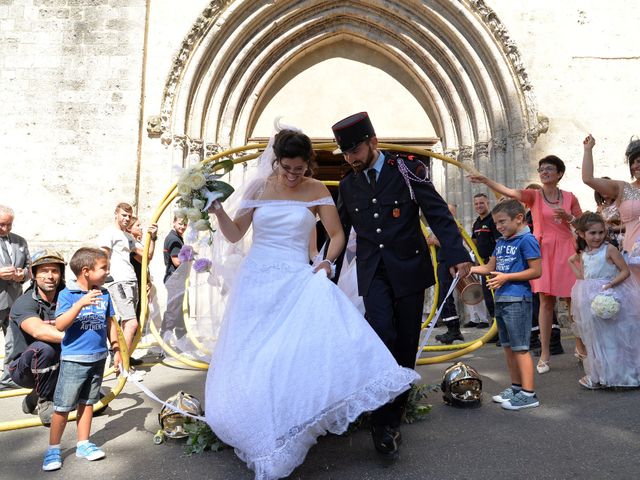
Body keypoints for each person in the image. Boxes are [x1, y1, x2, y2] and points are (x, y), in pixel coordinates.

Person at [204, 126, 417, 480]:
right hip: (257, 280)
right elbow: (235, 234)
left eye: (299, 169)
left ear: (308, 165)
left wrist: (326, 262)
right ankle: (255, 422)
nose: (291, 175)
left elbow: (337, 234)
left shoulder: (317, 190)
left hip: (294, 276)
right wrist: (217, 212)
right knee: (253, 354)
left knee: (288, 355)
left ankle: (288, 421)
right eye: (286, 168)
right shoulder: (258, 187)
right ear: (275, 161)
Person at [333, 112, 471, 455]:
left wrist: (457, 254)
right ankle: (383, 422)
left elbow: (437, 212)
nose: (351, 158)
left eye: (355, 150)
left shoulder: (407, 170)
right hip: (373, 272)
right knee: (381, 335)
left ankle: (393, 416)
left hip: (409, 267)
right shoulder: (349, 184)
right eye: (345, 153)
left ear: (373, 142)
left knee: (406, 343)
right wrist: (328, 274)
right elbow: (340, 233)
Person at [469, 154, 583, 374]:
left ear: (559, 173)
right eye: (541, 168)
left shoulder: (570, 197)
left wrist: (569, 218)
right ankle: (545, 355)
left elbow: (582, 224)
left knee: (573, 302)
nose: (544, 172)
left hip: (567, 250)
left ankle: (581, 347)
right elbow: (509, 192)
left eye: (549, 168)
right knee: (545, 303)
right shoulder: (535, 196)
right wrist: (486, 180)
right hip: (543, 251)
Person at [42, 247, 121, 471]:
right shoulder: (68, 295)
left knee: (88, 402)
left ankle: (83, 444)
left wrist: (115, 350)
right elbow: (60, 325)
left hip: (98, 357)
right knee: (63, 406)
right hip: (75, 359)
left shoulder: (104, 294)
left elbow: (109, 324)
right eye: (103, 268)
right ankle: (53, 449)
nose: (107, 272)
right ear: (86, 271)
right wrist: (80, 304)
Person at [470, 199, 542, 409]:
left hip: (517, 299)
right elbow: (490, 266)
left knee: (520, 348)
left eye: (502, 222)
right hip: (501, 298)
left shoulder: (526, 240)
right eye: (496, 223)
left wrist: (507, 278)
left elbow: (536, 271)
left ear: (519, 218)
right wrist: (470, 269)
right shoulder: (502, 241)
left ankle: (529, 394)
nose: (499, 227)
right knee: (509, 348)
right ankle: (517, 387)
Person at [568, 212, 640, 389]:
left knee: (613, 337)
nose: (597, 237)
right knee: (596, 338)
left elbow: (625, 271)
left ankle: (622, 376)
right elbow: (585, 278)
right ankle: (602, 375)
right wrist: (571, 263)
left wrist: (610, 284)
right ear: (583, 234)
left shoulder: (609, 249)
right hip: (591, 299)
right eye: (592, 233)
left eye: (601, 232)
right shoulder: (584, 253)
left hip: (610, 295)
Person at [6, 250, 66, 424]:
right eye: (44, 271)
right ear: (34, 274)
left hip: (58, 359)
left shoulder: (68, 297)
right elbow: (39, 331)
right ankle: (45, 400)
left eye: (55, 271)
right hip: (23, 368)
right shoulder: (24, 302)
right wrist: (79, 340)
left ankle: (35, 396)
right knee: (44, 348)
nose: (50, 276)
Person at [98, 203, 156, 367]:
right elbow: (103, 253)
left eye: (129, 216)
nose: (126, 219)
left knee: (128, 322)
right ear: (116, 214)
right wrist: (104, 273)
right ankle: (122, 365)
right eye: (124, 215)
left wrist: (153, 237)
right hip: (119, 280)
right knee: (131, 323)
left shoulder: (127, 236)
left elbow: (146, 256)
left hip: (131, 280)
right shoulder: (109, 233)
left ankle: (123, 362)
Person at [582, 134, 640, 283]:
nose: (635, 166)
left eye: (639, 161)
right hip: (633, 253)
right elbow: (588, 179)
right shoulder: (622, 188)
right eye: (632, 162)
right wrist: (588, 149)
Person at [523, 184, 564, 356]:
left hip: (541, 258)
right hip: (533, 258)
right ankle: (537, 339)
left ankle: (553, 342)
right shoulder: (528, 214)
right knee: (537, 302)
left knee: (545, 300)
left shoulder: (539, 213)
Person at [0, 204, 31, 389]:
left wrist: (23, 275)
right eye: (1, 225)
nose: (5, 229)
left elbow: (31, 268)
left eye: (9, 225)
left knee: (13, 342)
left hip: (14, 301)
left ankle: (8, 379)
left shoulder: (20, 241)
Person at [427, 204, 466, 344]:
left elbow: (453, 245)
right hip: (441, 263)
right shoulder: (441, 225)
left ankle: (454, 330)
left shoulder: (453, 226)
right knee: (442, 297)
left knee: (446, 297)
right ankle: (452, 329)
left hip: (447, 263)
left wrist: (452, 264)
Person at [468, 192, 501, 327]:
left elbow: (500, 242)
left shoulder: (493, 220)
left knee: (496, 296)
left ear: (487, 203)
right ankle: (495, 328)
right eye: (476, 204)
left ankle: (501, 330)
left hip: (495, 265)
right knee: (488, 297)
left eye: (481, 203)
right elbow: (473, 243)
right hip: (483, 265)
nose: (479, 206)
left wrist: (494, 261)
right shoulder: (476, 223)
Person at [160, 216, 188, 343]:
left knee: (179, 309)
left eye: (185, 224)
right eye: (180, 223)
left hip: (175, 278)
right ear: (174, 222)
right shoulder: (174, 239)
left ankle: (182, 339)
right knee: (173, 310)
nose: (182, 227)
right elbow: (177, 262)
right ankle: (164, 342)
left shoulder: (175, 237)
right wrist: (190, 256)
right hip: (174, 279)